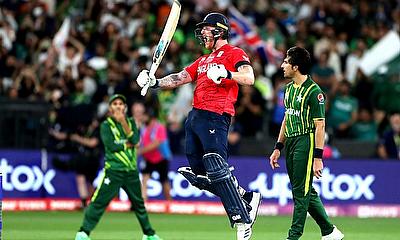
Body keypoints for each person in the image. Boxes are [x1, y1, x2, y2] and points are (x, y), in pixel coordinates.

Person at [136, 12, 262, 240]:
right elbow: (179, 78)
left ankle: (242, 219)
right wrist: (154, 82)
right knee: (202, 176)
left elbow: (249, 77)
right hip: (195, 117)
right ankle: (246, 197)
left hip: (216, 115)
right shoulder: (203, 60)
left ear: (220, 31)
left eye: (206, 28)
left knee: (215, 165)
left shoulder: (234, 53)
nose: (202, 33)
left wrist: (227, 72)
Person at [268, 46, 344, 240]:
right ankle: (329, 231)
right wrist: (278, 147)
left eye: (286, 62)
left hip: (306, 141)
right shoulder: (288, 89)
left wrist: (318, 157)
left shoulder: (314, 92)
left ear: (295, 66)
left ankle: (293, 236)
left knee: (300, 194)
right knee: (303, 189)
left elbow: (320, 126)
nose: (282, 65)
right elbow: (287, 118)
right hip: (291, 141)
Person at [75, 94, 162, 240]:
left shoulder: (131, 122)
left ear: (125, 108)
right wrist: (126, 144)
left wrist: (123, 123)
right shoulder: (105, 125)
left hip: (131, 171)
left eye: (121, 104)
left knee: (139, 204)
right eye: (115, 104)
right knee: (99, 202)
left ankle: (149, 234)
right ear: (110, 108)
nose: (118, 106)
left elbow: (135, 140)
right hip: (113, 171)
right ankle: (83, 232)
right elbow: (111, 145)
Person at [138, 107, 173, 201]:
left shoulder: (159, 127)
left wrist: (140, 151)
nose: (143, 118)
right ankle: (143, 203)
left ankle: (170, 203)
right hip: (148, 158)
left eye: (145, 116)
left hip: (161, 158)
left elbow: (156, 143)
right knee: (144, 179)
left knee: (164, 181)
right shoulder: (143, 127)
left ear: (150, 117)